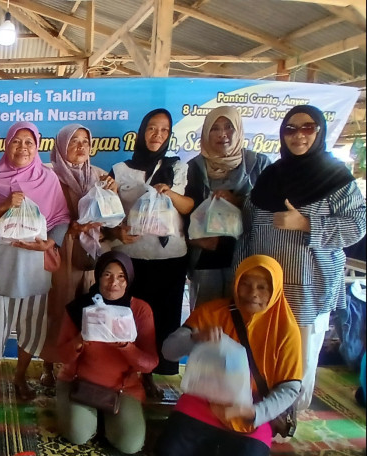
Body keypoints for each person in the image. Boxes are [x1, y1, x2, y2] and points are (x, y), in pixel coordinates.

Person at [237, 105, 366, 410]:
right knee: (263, 347)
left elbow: (358, 225)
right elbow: (249, 226)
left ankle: (289, 416)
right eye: (291, 129)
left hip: (309, 286)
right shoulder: (270, 176)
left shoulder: (336, 178)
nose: (298, 136)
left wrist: (308, 224)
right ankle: (260, 409)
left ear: (319, 131)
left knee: (300, 353)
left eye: (307, 128)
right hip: (264, 287)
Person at [156, 255, 303, 456]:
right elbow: (168, 351)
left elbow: (290, 387)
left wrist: (255, 412)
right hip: (203, 401)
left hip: (253, 408)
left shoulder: (286, 329)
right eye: (246, 284)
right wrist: (195, 338)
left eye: (262, 287)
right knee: (169, 450)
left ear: (275, 290)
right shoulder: (212, 313)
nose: (253, 293)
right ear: (236, 283)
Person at [0, 121, 71, 403]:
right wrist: (4, 204)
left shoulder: (47, 179)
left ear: (37, 146)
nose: (22, 147)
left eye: (29, 142)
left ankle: (19, 377)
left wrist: (51, 243)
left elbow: (61, 219)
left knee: (31, 327)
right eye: (17, 141)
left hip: (35, 270)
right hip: (0, 269)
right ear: (6, 144)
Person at [107, 109, 194, 396]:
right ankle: (124, 371)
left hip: (168, 260)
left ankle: (150, 375)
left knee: (160, 320)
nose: (157, 135)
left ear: (169, 135)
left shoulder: (178, 167)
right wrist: (117, 227)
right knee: (127, 317)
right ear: (142, 132)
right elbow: (107, 213)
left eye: (164, 130)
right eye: (152, 128)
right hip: (130, 258)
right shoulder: (120, 169)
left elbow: (188, 207)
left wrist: (169, 193)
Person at [56, 251, 158, 454]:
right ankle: (91, 418)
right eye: (107, 275)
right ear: (98, 276)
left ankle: (104, 419)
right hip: (79, 383)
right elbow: (60, 355)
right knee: (77, 435)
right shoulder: (80, 308)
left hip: (122, 388)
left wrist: (126, 347)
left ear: (129, 279)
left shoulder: (139, 310)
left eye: (121, 276)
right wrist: (79, 341)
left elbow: (149, 363)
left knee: (130, 445)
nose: (114, 283)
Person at [42, 124, 117, 386]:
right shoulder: (49, 177)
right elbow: (42, 218)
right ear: (62, 146)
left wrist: (112, 196)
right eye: (74, 142)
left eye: (85, 141)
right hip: (62, 250)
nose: (81, 147)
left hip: (91, 252)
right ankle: (49, 365)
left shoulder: (99, 177)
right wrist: (71, 228)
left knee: (88, 307)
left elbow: (111, 219)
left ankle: (80, 365)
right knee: (58, 307)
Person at [186, 106, 271, 307]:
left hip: (249, 256)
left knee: (246, 316)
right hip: (206, 258)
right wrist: (194, 240)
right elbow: (183, 212)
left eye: (228, 127)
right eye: (214, 128)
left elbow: (272, 211)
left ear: (239, 130)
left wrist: (240, 202)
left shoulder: (258, 165)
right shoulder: (193, 169)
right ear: (206, 133)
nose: (222, 134)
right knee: (207, 319)